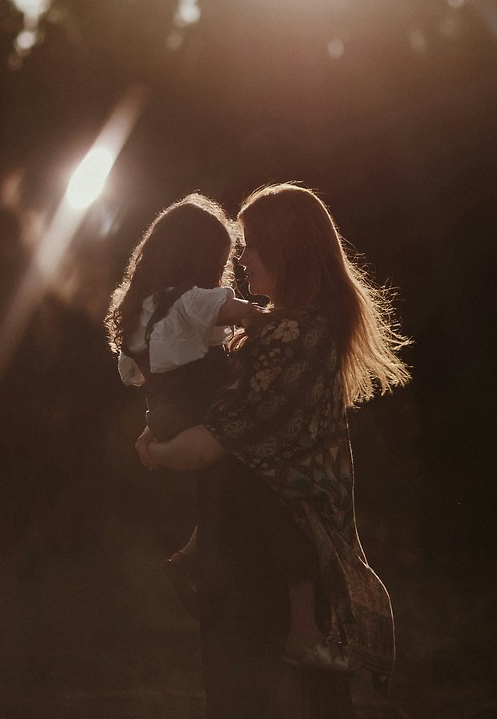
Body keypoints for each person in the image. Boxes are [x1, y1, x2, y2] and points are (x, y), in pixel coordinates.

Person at [137, 183, 410, 717]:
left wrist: (154, 451)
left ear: (287, 250)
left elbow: (214, 442)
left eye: (252, 247)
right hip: (257, 559)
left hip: (260, 569)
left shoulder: (291, 336)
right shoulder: (293, 330)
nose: (242, 261)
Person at [107, 193, 336, 665]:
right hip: (202, 416)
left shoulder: (141, 311)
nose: (237, 264)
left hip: (166, 414)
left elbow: (136, 376)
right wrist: (264, 316)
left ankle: (189, 556)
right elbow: (242, 313)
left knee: (221, 494)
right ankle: (303, 630)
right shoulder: (196, 302)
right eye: (230, 255)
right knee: (273, 515)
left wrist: (155, 432)